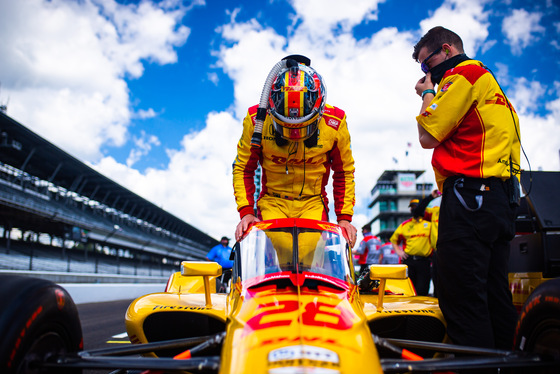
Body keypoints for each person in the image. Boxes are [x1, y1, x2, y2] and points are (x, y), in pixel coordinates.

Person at [412, 26, 520, 350]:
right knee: (494, 296)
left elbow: (427, 136)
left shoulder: (464, 74)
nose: (425, 72)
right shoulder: (492, 85)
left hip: (470, 199)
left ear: (446, 50)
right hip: (499, 199)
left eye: (424, 64)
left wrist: (426, 93)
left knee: (461, 297)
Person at [232, 55, 357, 247]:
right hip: (272, 202)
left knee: (309, 251)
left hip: (313, 203)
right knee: (279, 249)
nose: (295, 134)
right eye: (287, 127)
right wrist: (247, 212)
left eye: (302, 127)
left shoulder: (335, 122)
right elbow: (243, 168)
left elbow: (344, 172)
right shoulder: (256, 119)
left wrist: (344, 219)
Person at [389, 199, 433, 296]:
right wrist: (399, 252)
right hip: (409, 261)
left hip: (424, 262)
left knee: (422, 290)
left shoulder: (429, 224)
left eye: (416, 206)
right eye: (412, 207)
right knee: (407, 290)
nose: (414, 209)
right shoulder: (405, 225)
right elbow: (394, 240)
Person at [413, 189, 441, 297]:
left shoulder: (460, 208)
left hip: (456, 251)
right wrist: (430, 197)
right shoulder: (435, 211)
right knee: (437, 282)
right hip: (438, 252)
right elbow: (417, 212)